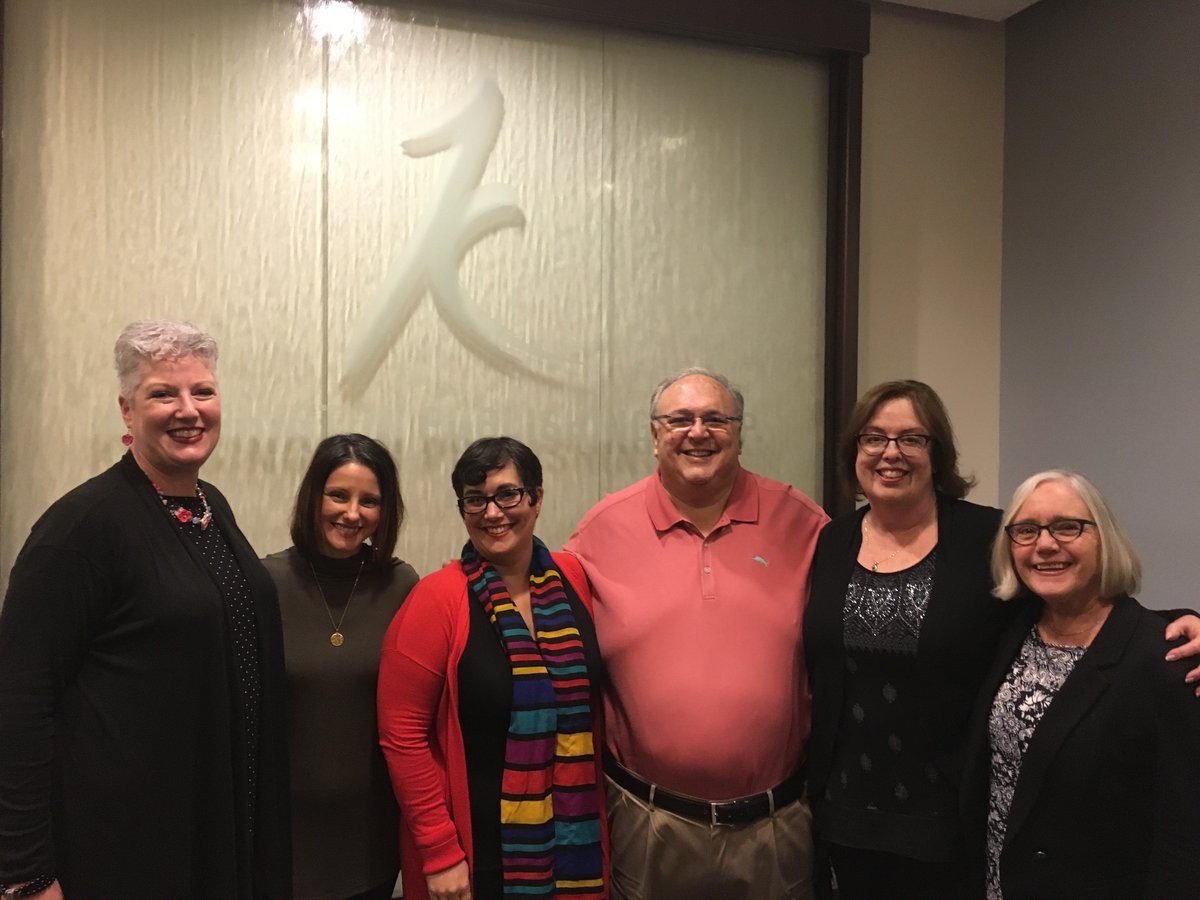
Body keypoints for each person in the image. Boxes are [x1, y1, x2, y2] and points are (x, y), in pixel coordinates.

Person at [803, 380, 1200, 898]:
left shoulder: (986, 537)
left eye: (911, 438)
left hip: (950, 819)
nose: (890, 453)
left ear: (936, 452)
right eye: (873, 438)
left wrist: (1176, 622)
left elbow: (1072, 599)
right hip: (844, 812)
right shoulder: (834, 539)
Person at [0, 320, 290, 899]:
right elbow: (20, 701)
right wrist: (26, 875)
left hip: (216, 823)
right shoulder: (81, 527)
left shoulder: (210, 506)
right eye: (163, 394)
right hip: (127, 849)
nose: (189, 410)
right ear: (127, 410)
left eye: (202, 391)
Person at [566, 368, 827, 900]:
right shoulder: (600, 531)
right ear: (654, 434)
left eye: (716, 419)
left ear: (739, 432)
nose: (698, 432)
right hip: (647, 823)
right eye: (680, 419)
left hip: (776, 826)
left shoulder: (804, 524)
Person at [377, 437, 608, 900]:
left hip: (573, 838)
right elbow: (402, 734)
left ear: (536, 498)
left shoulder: (574, 579)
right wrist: (440, 851)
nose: (492, 512)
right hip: (475, 852)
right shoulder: (437, 599)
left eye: (507, 494)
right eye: (475, 499)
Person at [968, 470, 1200, 897]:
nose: (1045, 544)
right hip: (1000, 883)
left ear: (1103, 539)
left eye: (1067, 526)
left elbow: (1184, 830)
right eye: (1026, 530)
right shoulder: (1008, 630)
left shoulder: (1164, 662)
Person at [263, 434, 419, 900]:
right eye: (338, 495)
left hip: (371, 836)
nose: (352, 513)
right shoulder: (264, 582)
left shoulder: (402, 585)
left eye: (369, 501)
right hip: (281, 833)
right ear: (313, 496)